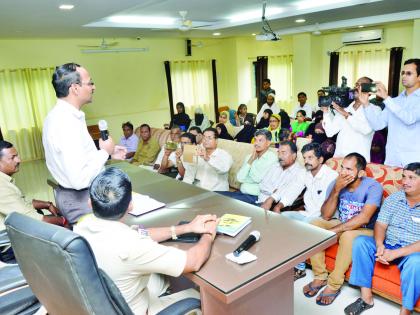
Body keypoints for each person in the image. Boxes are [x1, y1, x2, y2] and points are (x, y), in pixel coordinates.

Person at [74, 167, 218, 315]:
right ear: (130, 205)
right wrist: (209, 233)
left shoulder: (81, 227)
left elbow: (140, 233)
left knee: (161, 277)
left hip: (103, 300)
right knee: (198, 297)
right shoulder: (133, 245)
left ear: (90, 203)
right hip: (136, 309)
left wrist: (185, 228)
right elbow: (194, 261)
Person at [42, 62, 126, 224]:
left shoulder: (63, 116)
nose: (93, 87)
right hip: (80, 199)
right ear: (75, 88)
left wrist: (108, 154)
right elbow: (79, 178)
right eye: (90, 83)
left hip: (80, 195)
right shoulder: (65, 122)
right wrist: (104, 152)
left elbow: (78, 158)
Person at [303, 153, 383, 306]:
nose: (343, 172)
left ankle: (334, 285)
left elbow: (364, 218)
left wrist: (334, 231)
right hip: (342, 223)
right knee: (314, 225)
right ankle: (320, 276)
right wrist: (336, 190)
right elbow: (326, 215)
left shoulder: (373, 187)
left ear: (360, 173)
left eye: (348, 169)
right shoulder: (336, 183)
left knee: (347, 235)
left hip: (366, 229)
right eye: (342, 167)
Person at [345, 162, 420, 315]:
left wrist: (396, 253)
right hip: (389, 243)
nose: (405, 182)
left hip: (412, 251)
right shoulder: (395, 198)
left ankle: (406, 310)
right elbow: (380, 225)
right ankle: (366, 298)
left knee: (416, 262)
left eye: (412, 178)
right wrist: (379, 245)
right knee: (361, 242)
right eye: (404, 177)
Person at [282, 143, 338, 280]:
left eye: (310, 158)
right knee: (283, 217)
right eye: (305, 158)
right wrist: (280, 204)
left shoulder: (331, 176)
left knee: (305, 225)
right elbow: (293, 190)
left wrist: (305, 220)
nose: (306, 161)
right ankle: (284, 260)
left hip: (324, 218)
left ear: (320, 160)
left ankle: (299, 268)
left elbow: (324, 209)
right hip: (307, 213)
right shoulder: (304, 173)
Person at [362, 58, 420, 167]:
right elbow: (378, 125)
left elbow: (409, 119)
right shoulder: (394, 101)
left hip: (414, 159)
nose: (403, 76)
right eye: (402, 73)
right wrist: (366, 105)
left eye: (409, 73)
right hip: (392, 158)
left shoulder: (390, 101)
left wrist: (386, 98)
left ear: (419, 77)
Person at [0, 140, 67, 229]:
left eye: (17, 155)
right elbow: (31, 219)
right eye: (12, 157)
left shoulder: (4, 180)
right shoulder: (2, 187)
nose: (18, 160)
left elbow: (21, 205)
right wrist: (63, 221)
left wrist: (47, 204)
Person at [322, 76, 381, 162]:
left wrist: (346, 115)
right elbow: (330, 132)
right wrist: (326, 112)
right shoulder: (345, 108)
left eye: (361, 85)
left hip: (359, 162)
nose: (356, 88)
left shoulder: (375, 109)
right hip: (340, 159)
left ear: (370, 92)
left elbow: (366, 130)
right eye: (356, 85)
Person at [218, 129, 277, 204]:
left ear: (268, 143)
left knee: (225, 201)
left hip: (255, 197)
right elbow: (239, 178)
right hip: (241, 193)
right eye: (255, 140)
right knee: (214, 194)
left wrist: (246, 179)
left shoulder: (272, 158)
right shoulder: (250, 157)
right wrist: (251, 161)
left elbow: (257, 178)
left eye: (260, 140)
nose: (256, 143)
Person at [258, 141, 305, 212]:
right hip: (259, 200)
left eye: (283, 153)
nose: (280, 156)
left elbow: (290, 190)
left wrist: (273, 195)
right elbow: (262, 185)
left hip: (272, 206)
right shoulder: (275, 166)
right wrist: (274, 191)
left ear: (294, 156)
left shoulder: (299, 172)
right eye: (278, 153)